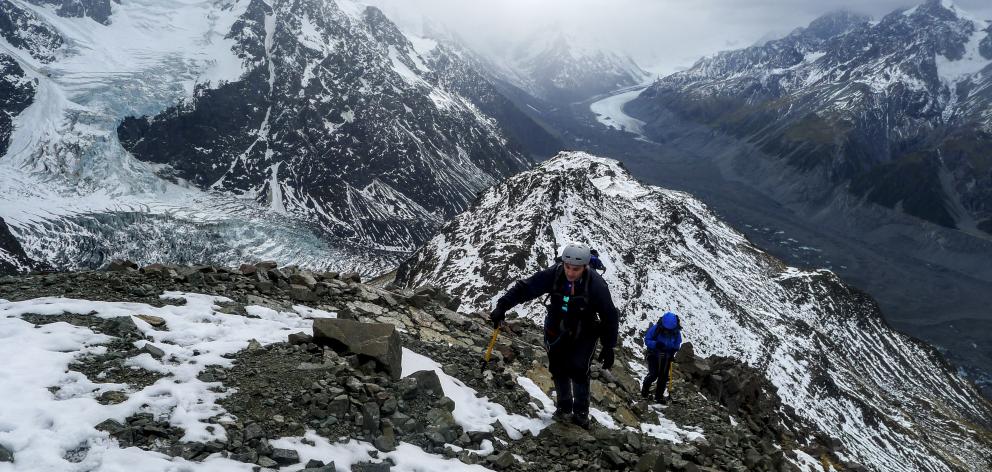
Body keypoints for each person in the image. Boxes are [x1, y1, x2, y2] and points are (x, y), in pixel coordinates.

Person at [489, 243, 620, 429]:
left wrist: (609, 346)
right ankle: (564, 407)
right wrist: (503, 306)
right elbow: (526, 288)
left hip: (585, 331)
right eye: (567, 267)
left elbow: (609, 316)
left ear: (585, 266)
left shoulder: (596, 284)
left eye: (576, 269)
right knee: (558, 368)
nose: (571, 272)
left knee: (579, 369)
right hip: (556, 327)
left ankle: (581, 413)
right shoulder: (554, 274)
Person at [641, 311, 682, 404]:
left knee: (663, 377)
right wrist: (656, 344)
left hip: (666, 356)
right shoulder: (656, 329)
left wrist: (672, 353)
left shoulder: (676, 332)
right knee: (653, 374)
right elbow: (647, 340)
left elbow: (677, 343)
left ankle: (659, 397)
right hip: (654, 354)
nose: (667, 331)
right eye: (666, 329)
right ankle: (645, 390)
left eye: (669, 329)